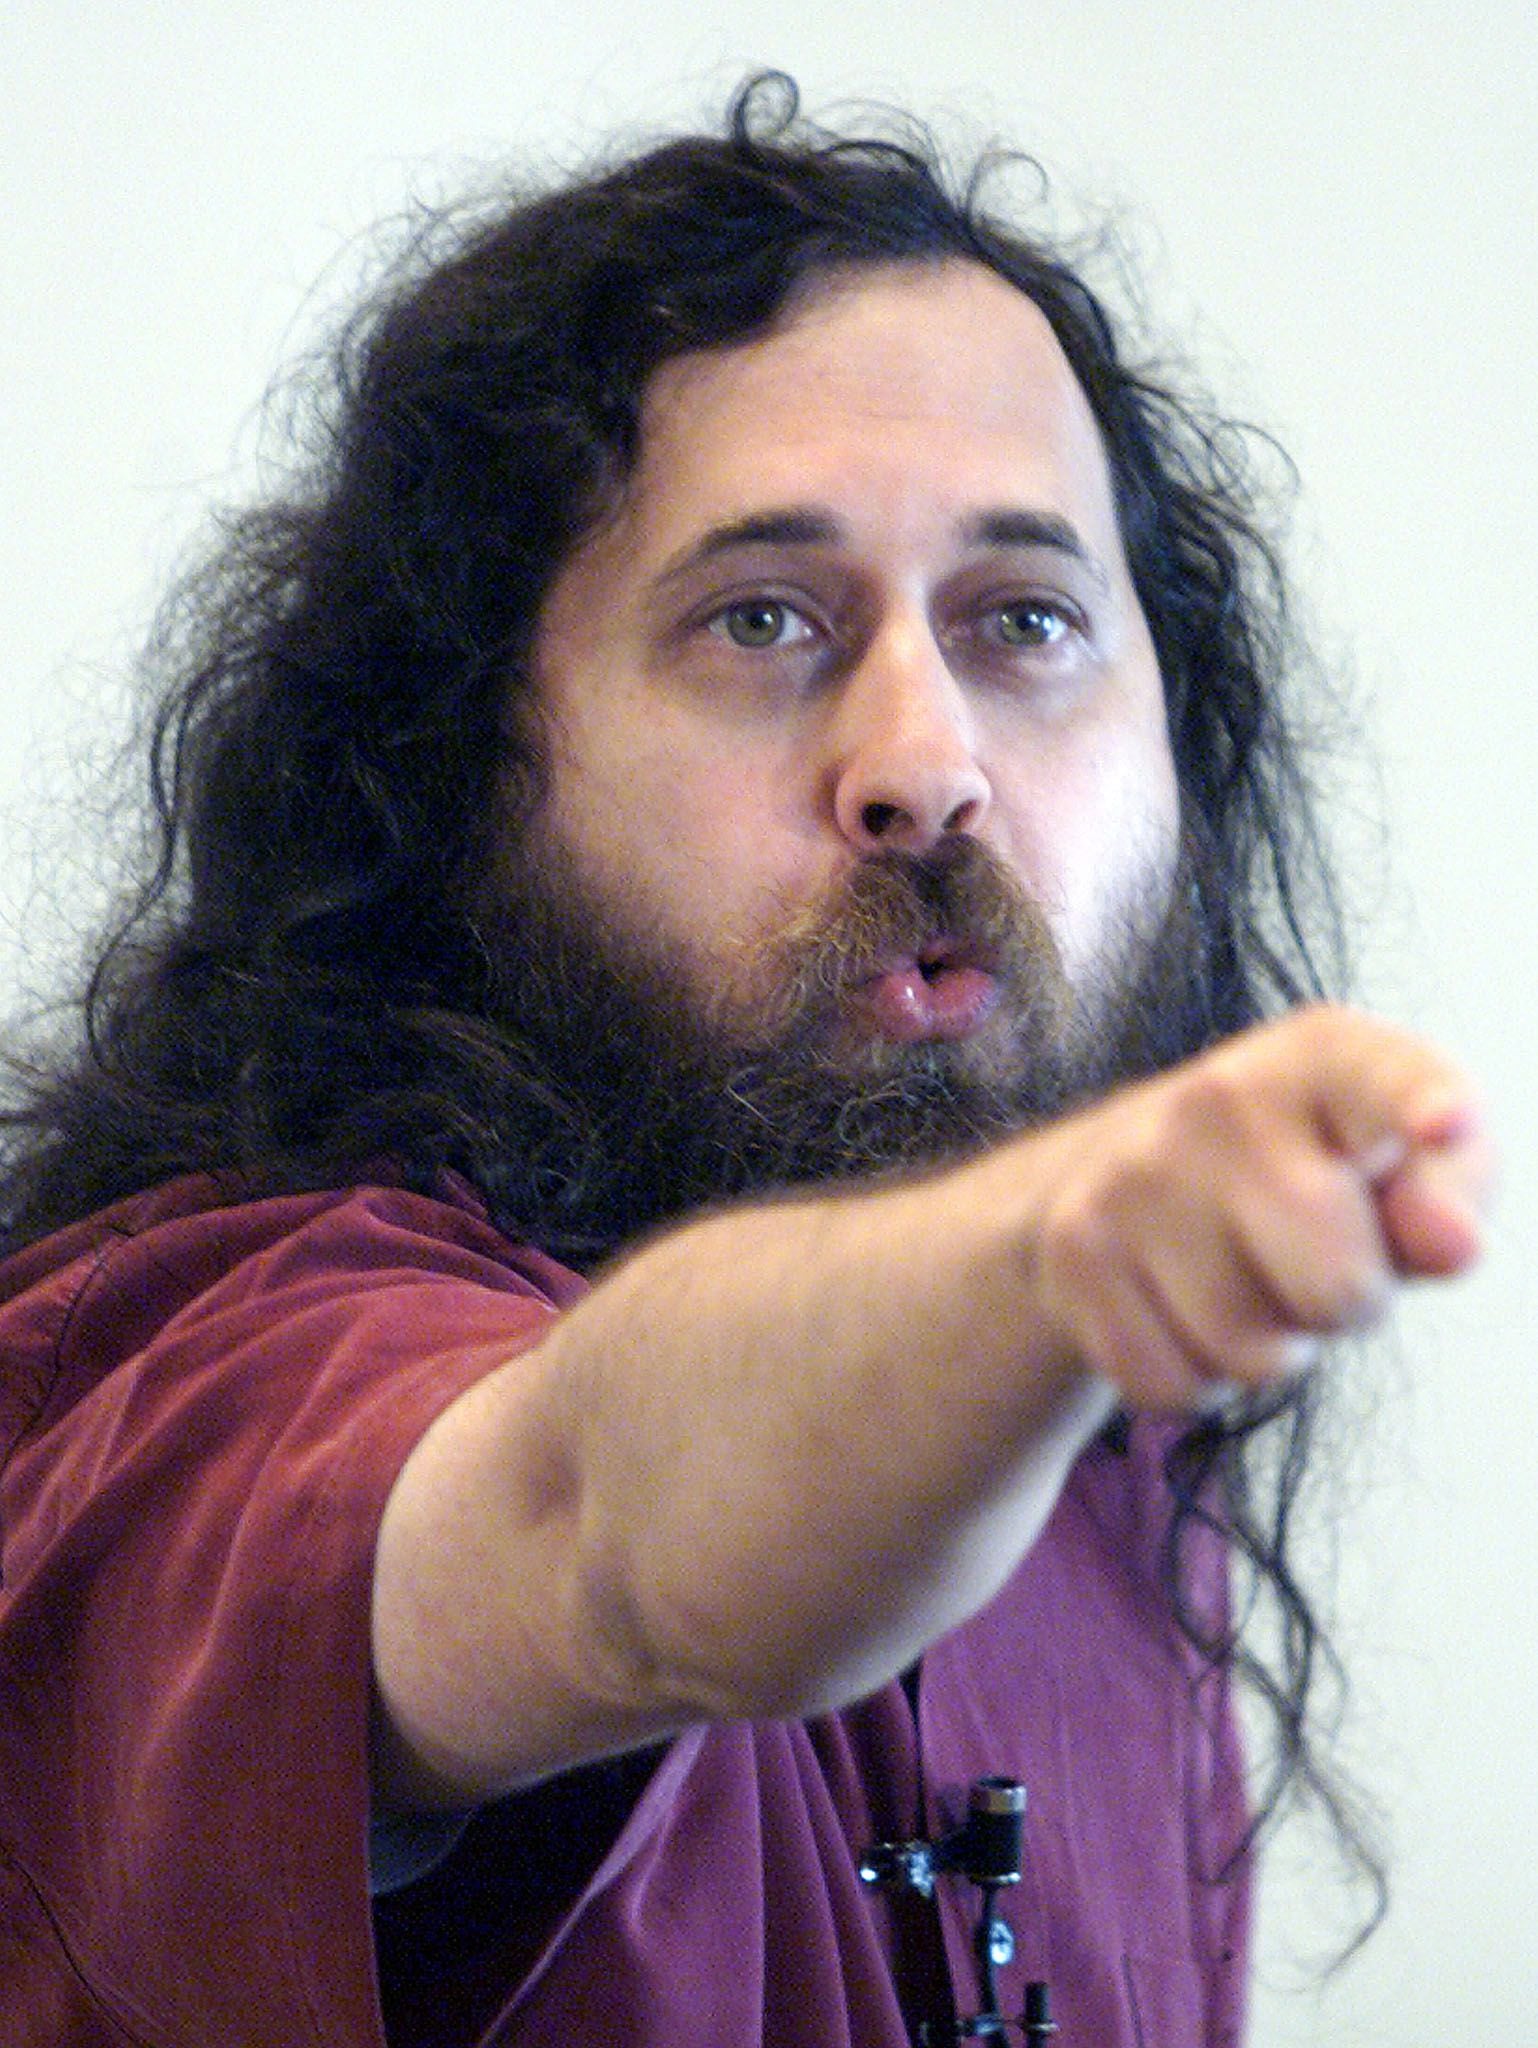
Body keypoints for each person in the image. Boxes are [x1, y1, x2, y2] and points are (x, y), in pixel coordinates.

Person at [0, 75, 1487, 2048]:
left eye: (1024, 618)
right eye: (763, 618)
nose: (922, 761)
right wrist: (1041, 1257)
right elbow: (590, 1523)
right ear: (462, 773)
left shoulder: (1117, 1449)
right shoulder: (202, 1385)